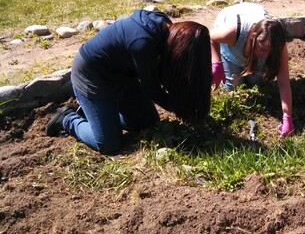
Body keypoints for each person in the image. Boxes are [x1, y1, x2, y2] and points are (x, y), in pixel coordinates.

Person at [46, 10, 212, 154]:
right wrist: (184, 109)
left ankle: (97, 116)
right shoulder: (143, 45)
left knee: (147, 122)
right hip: (92, 76)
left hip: (122, 75)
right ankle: (67, 118)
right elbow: (153, 89)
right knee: (108, 143)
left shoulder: (164, 27)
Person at [209, 2, 294, 137]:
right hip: (231, 48)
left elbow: (283, 81)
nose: (266, 55)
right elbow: (211, 38)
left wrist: (287, 117)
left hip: (253, 20)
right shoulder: (233, 33)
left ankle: (249, 67)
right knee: (234, 89)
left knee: (256, 83)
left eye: (270, 52)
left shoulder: (277, 44)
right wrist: (216, 64)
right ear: (253, 37)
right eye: (264, 49)